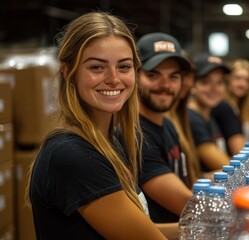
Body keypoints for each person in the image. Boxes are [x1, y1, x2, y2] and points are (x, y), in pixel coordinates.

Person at [26, 12, 166, 239]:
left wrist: (199, 226)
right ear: (67, 71)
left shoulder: (110, 142)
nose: (113, 78)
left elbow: (140, 228)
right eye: (97, 67)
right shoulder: (73, 154)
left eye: (124, 67)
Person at [136, 33, 193, 225]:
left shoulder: (167, 124)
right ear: (135, 76)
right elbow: (187, 205)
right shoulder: (137, 135)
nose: (165, 85)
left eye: (173, 77)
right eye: (153, 75)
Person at [188, 53, 231, 173]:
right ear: (193, 84)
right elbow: (228, 168)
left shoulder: (208, 115)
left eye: (220, 82)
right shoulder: (192, 119)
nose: (214, 88)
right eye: (206, 82)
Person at [165, 50, 202, 185]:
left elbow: (191, 178)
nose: (185, 82)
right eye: (179, 75)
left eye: (189, 76)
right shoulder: (162, 120)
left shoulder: (181, 116)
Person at [212, 59, 249, 144]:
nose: (242, 84)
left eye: (247, 80)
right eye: (238, 78)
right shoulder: (223, 106)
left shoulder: (246, 107)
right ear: (228, 79)